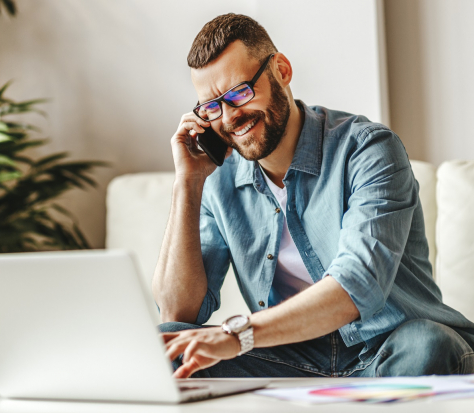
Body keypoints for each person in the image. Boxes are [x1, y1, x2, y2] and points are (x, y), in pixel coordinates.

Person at [152, 13, 474, 379]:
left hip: (389, 344)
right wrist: (188, 183)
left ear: (282, 70)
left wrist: (238, 335)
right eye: (211, 106)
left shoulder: (368, 149)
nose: (229, 117)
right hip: (293, 356)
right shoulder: (217, 177)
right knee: (168, 344)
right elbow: (177, 312)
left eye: (239, 92)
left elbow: (356, 286)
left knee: (428, 344)